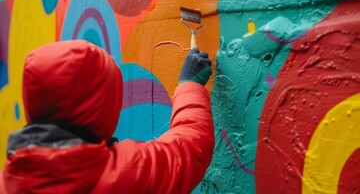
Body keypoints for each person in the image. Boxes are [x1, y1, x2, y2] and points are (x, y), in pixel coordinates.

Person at [0, 40, 214, 193]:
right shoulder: (124, 174)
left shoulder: (6, 182)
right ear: (103, 104)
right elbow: (191, 145)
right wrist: (190, 85)